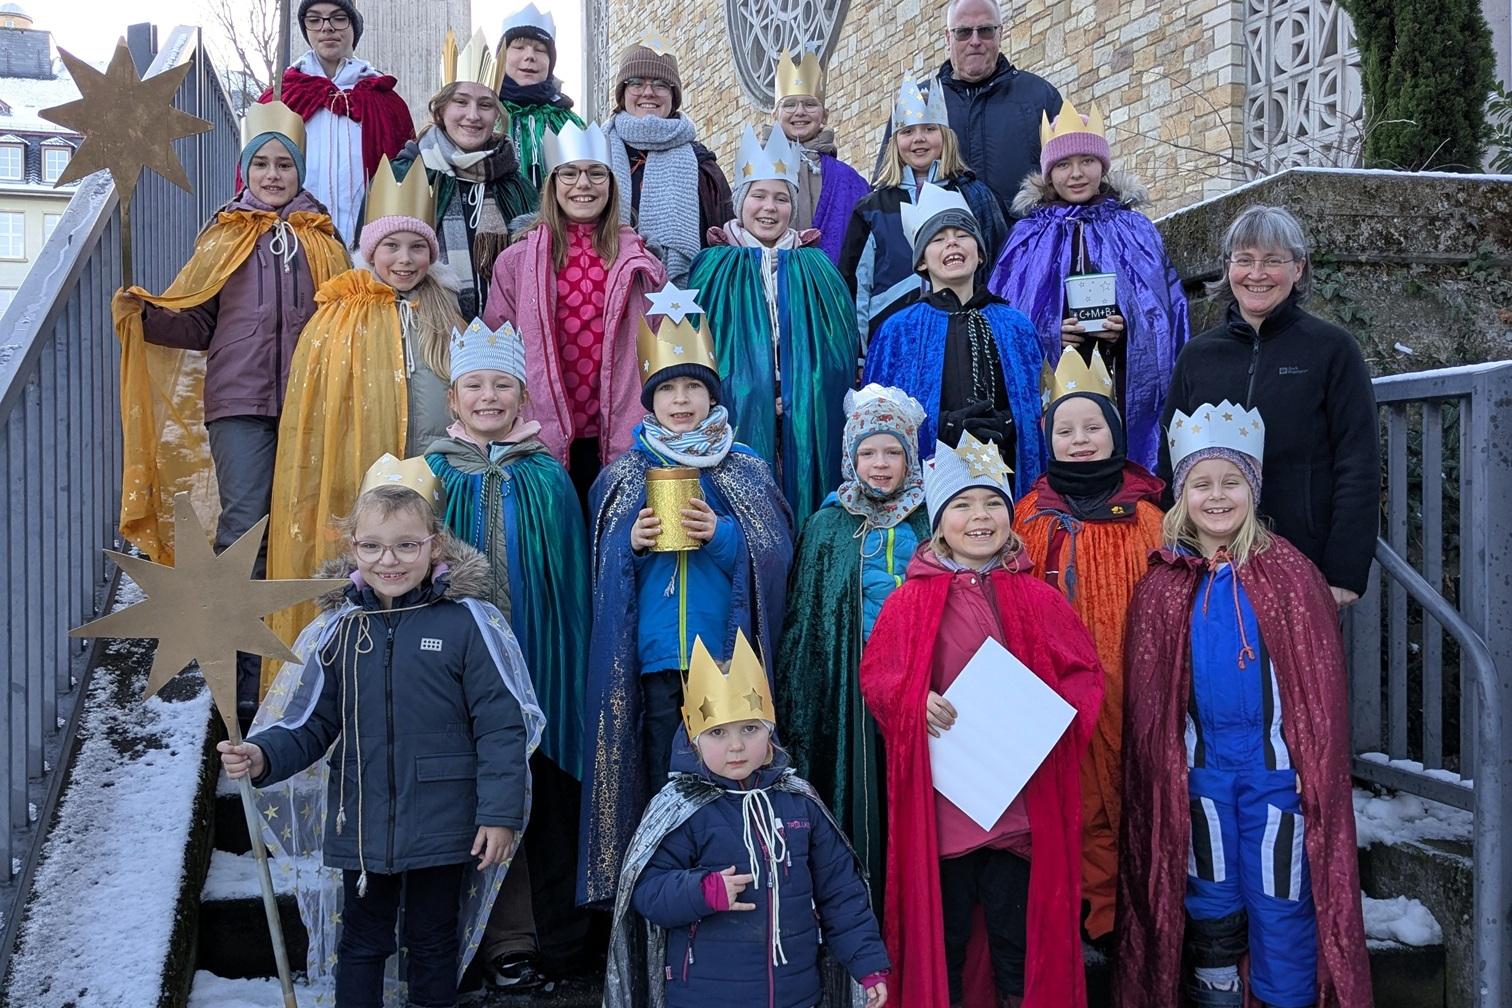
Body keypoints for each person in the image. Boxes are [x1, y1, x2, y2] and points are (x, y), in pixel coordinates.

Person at [223, 471, 544, 1007]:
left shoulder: (468, 623)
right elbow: (311, 722)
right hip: (361, 816)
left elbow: (500, 724)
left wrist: (499, 814)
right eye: (371, 546)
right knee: (363, 942)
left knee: (432, 940)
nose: (388, 560)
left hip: (444, 817)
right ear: (352, 548)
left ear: (433, 545)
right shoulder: (340, 630)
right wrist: (261, 755)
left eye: (405, 546)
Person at [1118, 402, 1373, 1008]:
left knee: (1281, 897)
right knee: (1210, 896)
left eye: (1231, 482)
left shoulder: (1288, 573)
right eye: (1201, 484)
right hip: (1199, 775)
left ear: (1252, 490)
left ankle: (1283, 999)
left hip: (1276, 774)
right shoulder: (1162, 582)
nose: (1217, 497)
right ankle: (1217, 998)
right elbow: (1151, 702)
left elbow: (1318, 690)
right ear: (1181, 496)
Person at [114, 102, 351, 723]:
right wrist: (149, 315)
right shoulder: (223, 236)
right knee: (246, 524)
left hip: (309, 400)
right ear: (246, 171)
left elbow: (344, 315)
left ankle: (299, 655)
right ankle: (240, 669)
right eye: (262, 164)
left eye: (284, 164)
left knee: (306, 519)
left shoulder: (324, 241)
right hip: (239, 401)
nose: (274, 174)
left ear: (300, 171)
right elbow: (198, 318)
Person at [860, 431, 1102, 1007]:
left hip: (1019, 815)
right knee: (946, 945)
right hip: (944, 814)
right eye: (962, 505)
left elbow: (1083, 674)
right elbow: (881, 676)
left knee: (1019, 946)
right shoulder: (908, 601)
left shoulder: (1039, 597)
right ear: (938, 520)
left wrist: (1047, 720)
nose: (979, 516)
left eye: (992, 502)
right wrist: (912, 700)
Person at [577, 293, 793, 908]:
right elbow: (602, 567)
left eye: (692, 389)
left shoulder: (744, 467)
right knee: (661, 779)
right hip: (651, 662)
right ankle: (660, 900)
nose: (679, 401)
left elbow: (773, 556)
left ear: (711, 396)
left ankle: (734, 893)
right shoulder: (622, 475)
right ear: (649, 400)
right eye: (667, 391)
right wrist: (633, 545)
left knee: (726, 779)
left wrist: (723, 536)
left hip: (724, 664)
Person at [425, 317, 591, 986]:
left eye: (502, 385)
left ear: (523, 399)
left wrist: (566, 661)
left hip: (542, 659)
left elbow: (570, 579)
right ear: (453, 399)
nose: (489, 397)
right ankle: (477, 941)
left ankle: (548, 940)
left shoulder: (548, 475)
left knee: (546, 800)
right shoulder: (433, 471)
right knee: (473, 802)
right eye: (475, 385)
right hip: (462, 672)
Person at [603, 630, 891, 1008]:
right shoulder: (682, 808)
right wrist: (702, 891)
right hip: (707, 996)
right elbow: (648, 892)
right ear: (694, 740)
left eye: (749, 729)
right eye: (718, 732)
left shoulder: (798, 803)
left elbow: (841, 893)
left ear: (770, 733)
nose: (735, 745)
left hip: (796, 993)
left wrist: (868, 964)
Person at [263, 158, 463, 667]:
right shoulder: (338, 312)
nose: (404, 258)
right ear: (370, 250)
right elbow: (318, 411)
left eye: (418, 246)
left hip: (433, 470)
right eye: (391, 246)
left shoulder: (446, 310)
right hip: (362, 472)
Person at [1010, 352, 1164, 945]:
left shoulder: (1149, 518)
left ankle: (1127, 916)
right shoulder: (1030, 516)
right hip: (1056, 693)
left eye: (1093, 427)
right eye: (1065, 430)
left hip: (1132, 688)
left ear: (1116, 433)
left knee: (1129, 794)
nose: (1079, 440)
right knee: (1072, 798)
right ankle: (1079, 915)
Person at [1157, 204, 1380, 606]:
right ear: (1228, 268)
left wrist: (1345, 570)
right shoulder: (1198, 356)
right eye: (1244, 260)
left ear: (1298, 269)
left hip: (1304, 562)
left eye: (1273, 261)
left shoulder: (1332, 349)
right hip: (1209, 566)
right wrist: (1174, 556)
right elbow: (1170, 464)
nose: (1256, 274)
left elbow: (1358, 461)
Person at [775, 384, 930, 899]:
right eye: (868, 452)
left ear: (910, 455)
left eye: (892, 451)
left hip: (925, 686)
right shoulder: (827, 526)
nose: (880, 464)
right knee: (868, 794)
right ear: (850, 456)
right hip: (854, 692)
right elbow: (806, 629)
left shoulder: (933, 521)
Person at [989, 98, 1189, 470]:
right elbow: (1007, 318)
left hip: (1122, 380)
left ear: (1103, 166)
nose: (1076, 173)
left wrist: (1128, 331)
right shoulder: (1027, 237)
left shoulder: (1135, 230)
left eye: (1087, 161)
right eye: (1063, 164)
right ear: (1049, 174)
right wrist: (1050, 331)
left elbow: (1164, 312)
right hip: (1055, 387)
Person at [484, 121, 666, 497]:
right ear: (552, 185)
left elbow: (663, 346)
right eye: (569, 173)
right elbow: (497, 351)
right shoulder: (515, 262)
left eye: (596, 173)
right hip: (542, 431)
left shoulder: (642, 264)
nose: (583, 184)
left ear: (611, 185)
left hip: (620, 430)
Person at [690, 125, 857, 525]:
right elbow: (699, 347)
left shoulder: (816, 265)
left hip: (806, 409)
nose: (769, 208)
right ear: (740, 202)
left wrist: (805, 386)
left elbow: (838, 348)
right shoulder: (712, 267)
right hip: (737, 407)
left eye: (781, 198)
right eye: (758, 196)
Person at [862, 183, 1045, 496]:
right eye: (937, 239)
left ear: (980, 252)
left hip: (1008, 469)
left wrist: (1011, 425)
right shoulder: (898, 331)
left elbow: (1038, 405)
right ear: (921, 261)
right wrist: (944, 425)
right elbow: (881, 422)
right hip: (932, 478)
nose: (952, 243)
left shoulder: (1016, 326)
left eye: (962, 235)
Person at [841, 74, 1006, 345]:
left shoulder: (974, 196)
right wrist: (859, 351)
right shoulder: (872, 208)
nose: (919, 139)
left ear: (945, 135)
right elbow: (856, 287)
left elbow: (998, 267)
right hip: (892, 337)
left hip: (964, 334)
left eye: (929, 129)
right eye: (908, 131)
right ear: (895, 141)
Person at [391, 29, 537, 320]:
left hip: (503, 344)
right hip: (428, 335)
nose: (473, 115)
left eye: (485, 105)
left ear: (497, 114)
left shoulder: (516, 186)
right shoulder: (406, 175)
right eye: (461, 102)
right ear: (441, 108)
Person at [873, 0, 1061, 218]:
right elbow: (888, 180)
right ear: (947, 37)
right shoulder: (920, 99)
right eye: (963, 32)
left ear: (1000, 33)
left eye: (986, 30)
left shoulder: (1038, 96)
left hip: (1025, 243)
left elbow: (1069, 173)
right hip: (942, 245)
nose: (975, 41)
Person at [260, 0, 414, 245]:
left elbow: (405, 182)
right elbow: (254, 181)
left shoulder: (386, 102)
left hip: (368, 253)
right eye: (314, 19)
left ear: (354, 25)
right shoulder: (280, 99)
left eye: (338, 18)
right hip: (293, 248)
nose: (326, 28)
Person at [602, 40, 734, 285]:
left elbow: (722, 237)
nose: (648, 92)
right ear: (622, 92)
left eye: (661, 84)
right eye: (637, 83)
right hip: (604, 286)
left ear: (674, 96)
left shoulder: (701, 163)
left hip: (682, 295)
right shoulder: (596, 153)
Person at [766, 49, 869, 266]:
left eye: (810, 104)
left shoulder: (848, 180)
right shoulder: (757, 171)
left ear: (825, 115)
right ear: (774, 116)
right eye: (790, 104)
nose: (800, 112)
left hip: (831, 288)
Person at [497, 2, 587, 189]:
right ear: (502, 57)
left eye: (540, 50)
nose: (530, 56)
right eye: (519, 47)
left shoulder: (569, 122)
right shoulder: (483, 114)